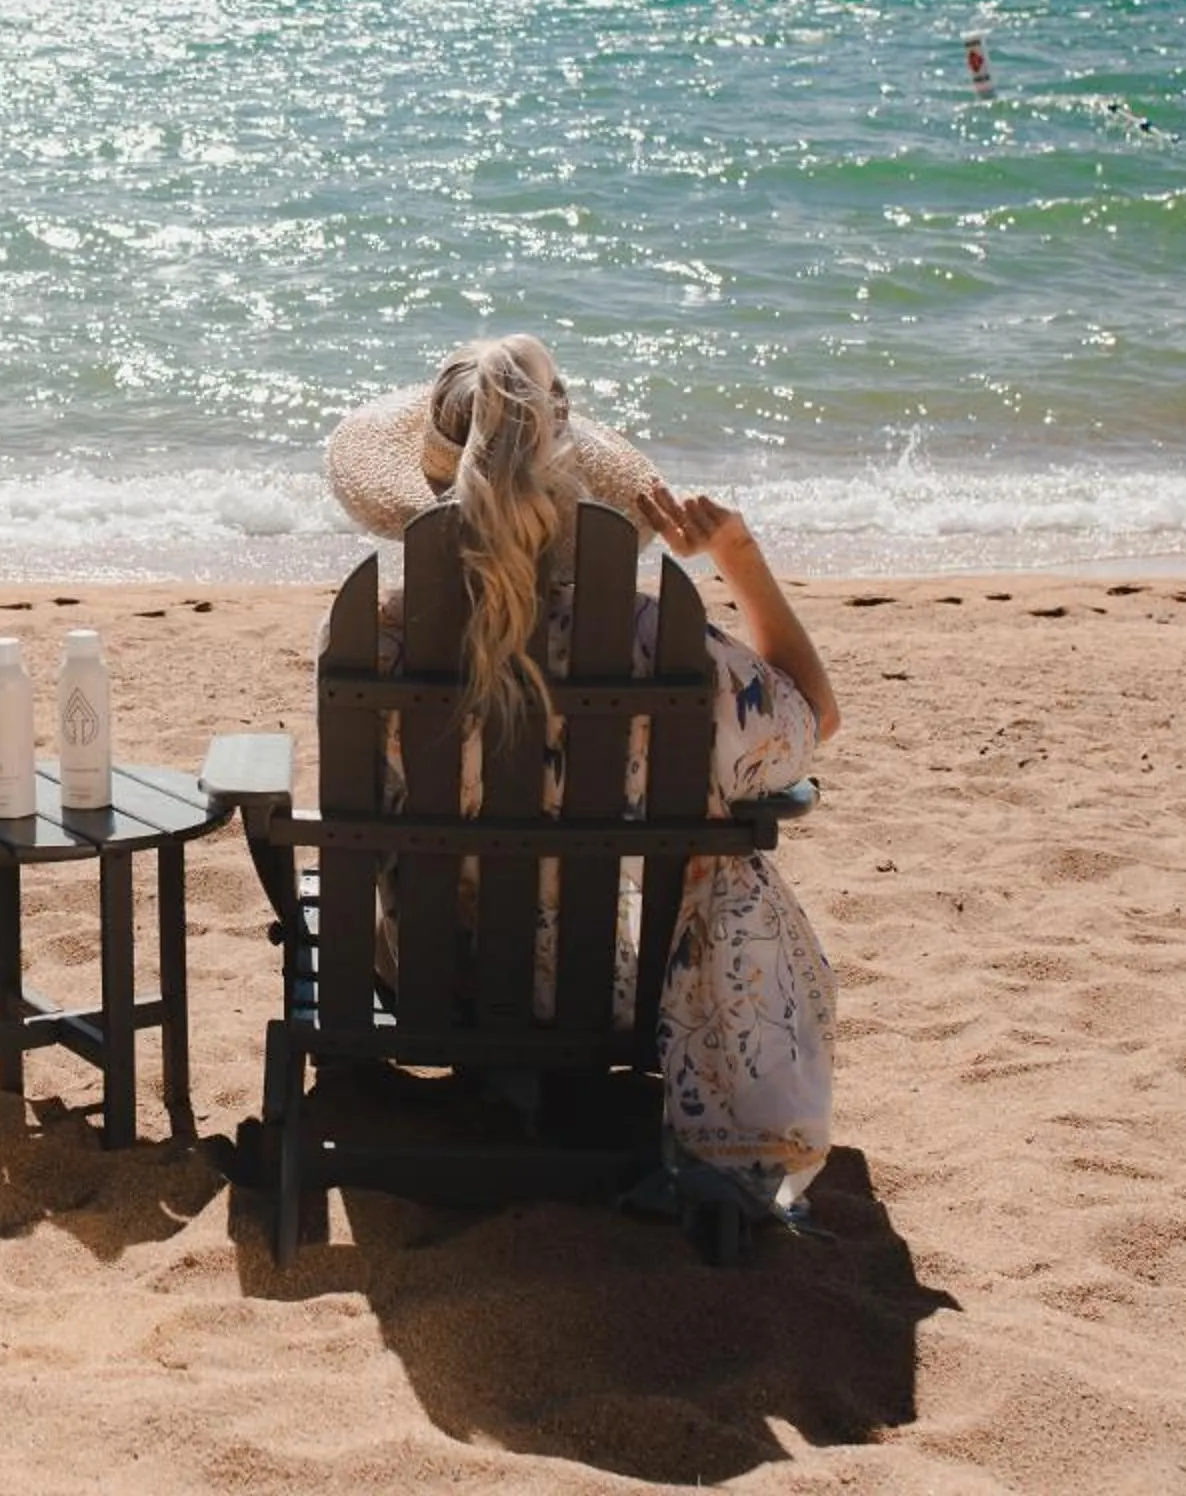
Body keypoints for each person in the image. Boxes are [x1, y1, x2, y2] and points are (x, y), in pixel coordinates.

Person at [323, 332, 840, 1220]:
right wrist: (740, 555)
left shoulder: (375, 631)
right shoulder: (651, 640)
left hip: (426, 979)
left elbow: (360, 811)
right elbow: (810, 719)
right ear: (569, 478)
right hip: (597, 990)